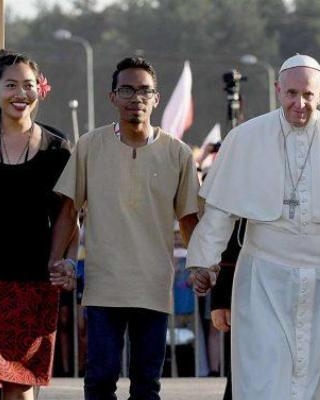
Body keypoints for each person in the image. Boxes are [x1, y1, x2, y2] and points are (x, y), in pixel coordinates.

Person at [185, 54, 320, 400]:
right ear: (278, 89)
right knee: (265, 377)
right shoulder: (245, 138)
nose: (300, 103)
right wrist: (203, 261)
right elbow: (220, 211)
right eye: (291, 93)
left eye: (308, 95)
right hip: (263, 280)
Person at [49, 56, 201, 400]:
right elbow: (69, 207)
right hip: (104, 285)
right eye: (127, 90)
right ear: (113, 97)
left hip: (153, 285)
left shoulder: (177, 153)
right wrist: (56, 260)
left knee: (147, 384)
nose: (137, 98)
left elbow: (189, 217)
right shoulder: (90, 145)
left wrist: (202, 265)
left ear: (156, 99)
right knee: (100, 379)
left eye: (145, 91)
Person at [0, 53, 75, 400]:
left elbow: (69, 216)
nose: (20, 93)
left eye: (28, 85)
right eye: (11, 85)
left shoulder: (58, 150)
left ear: (40, 89)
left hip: (33, 284)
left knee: (19, 389)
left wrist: (65, 262)